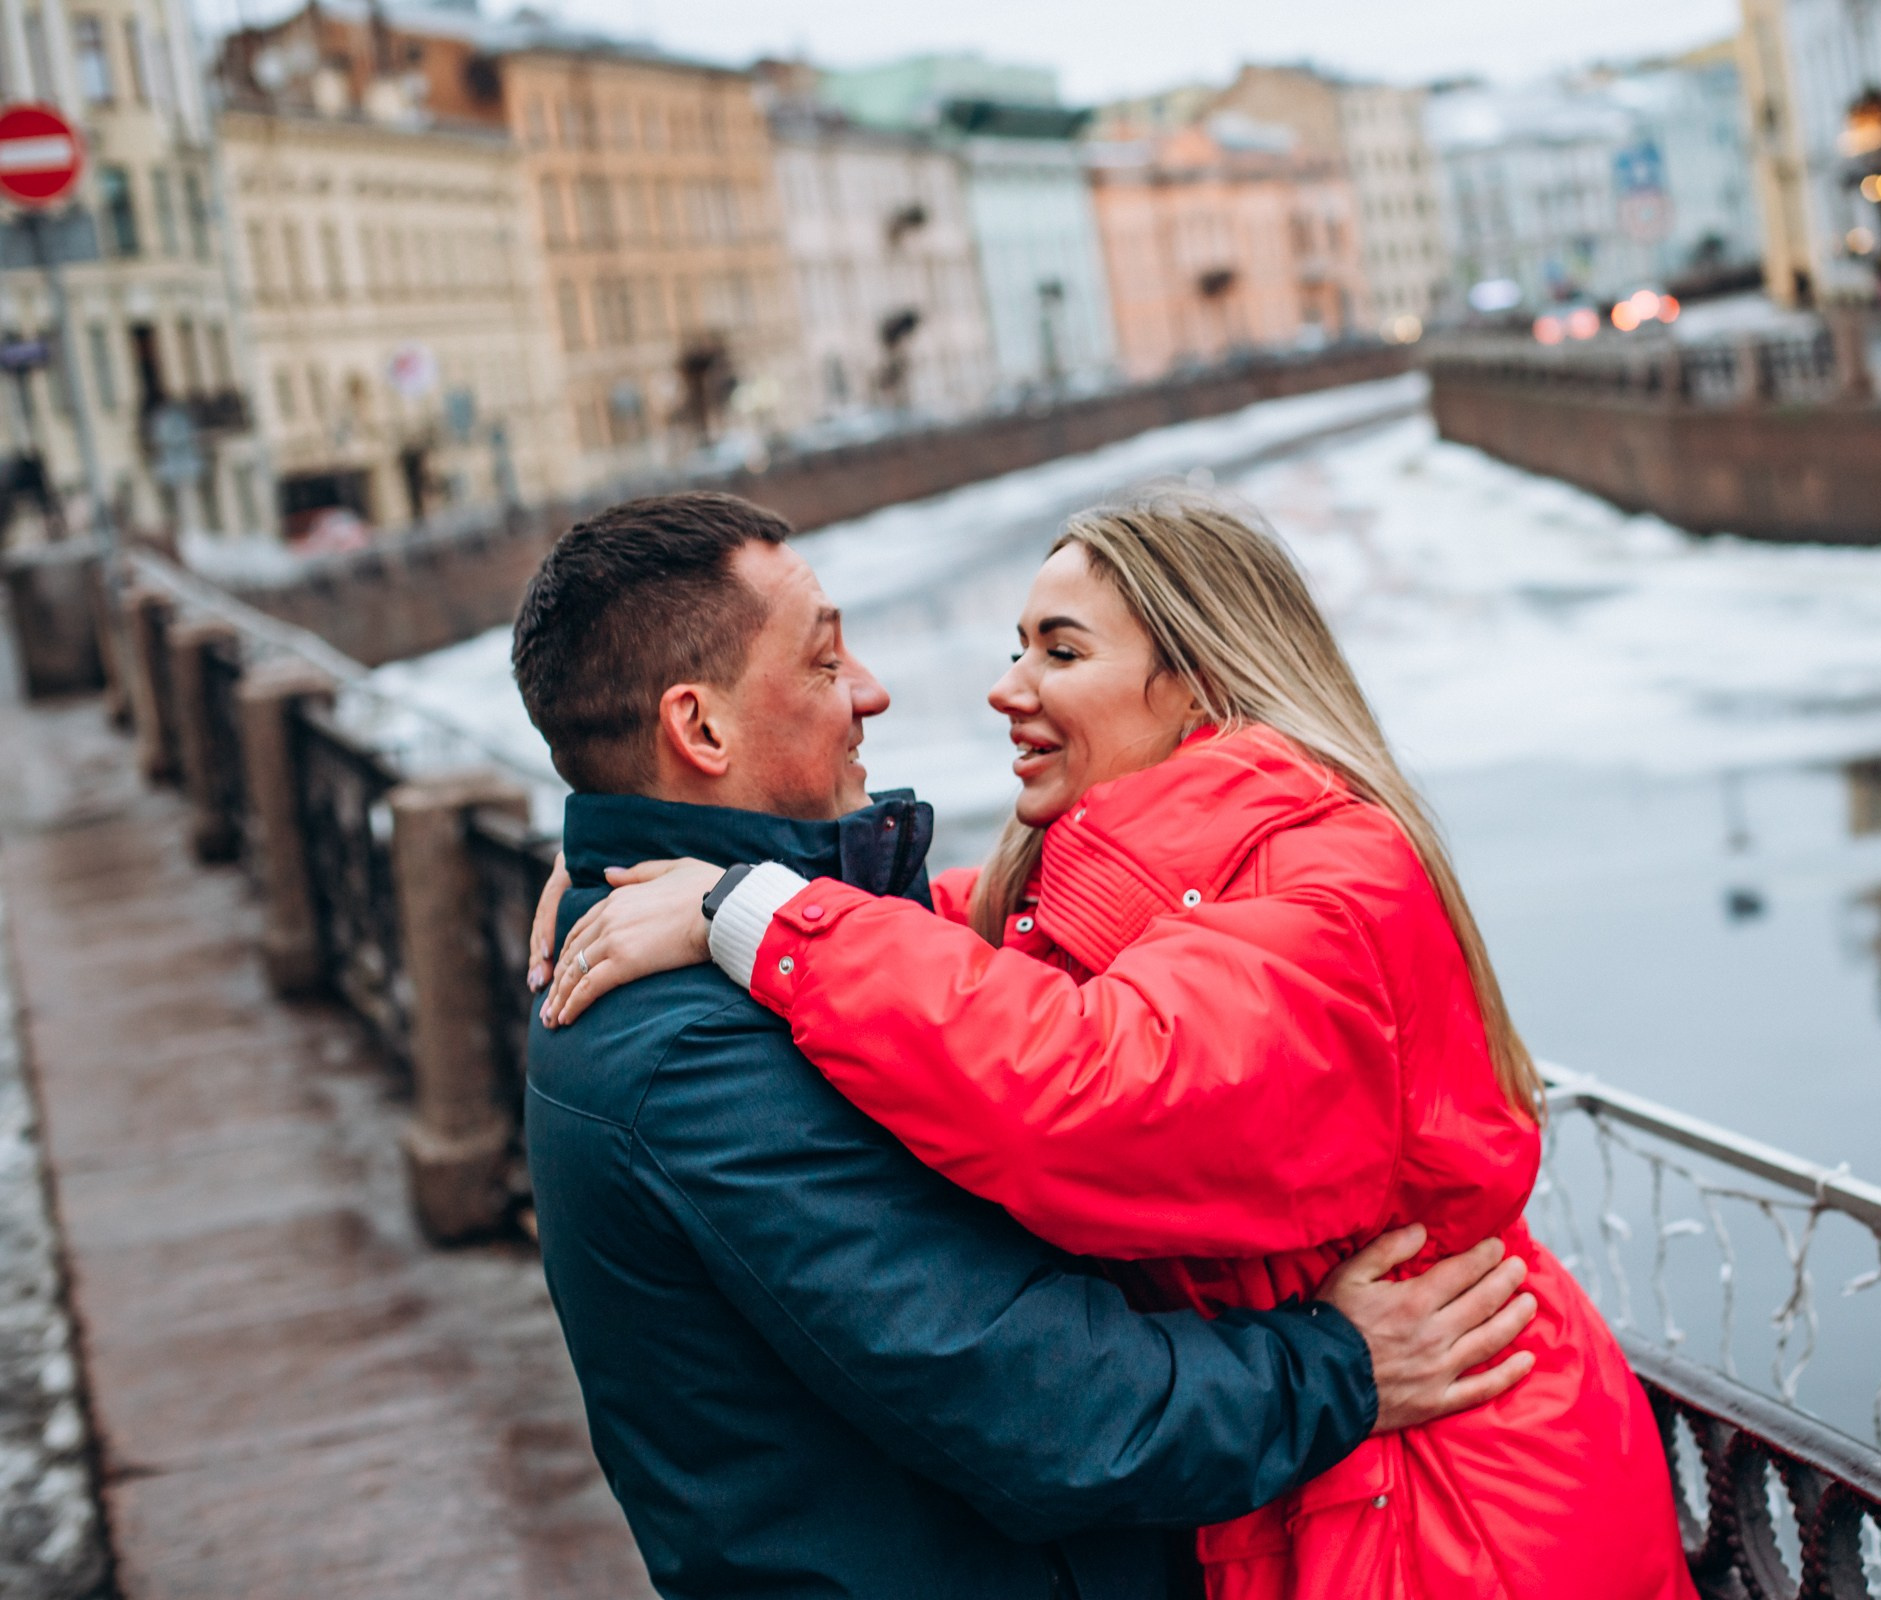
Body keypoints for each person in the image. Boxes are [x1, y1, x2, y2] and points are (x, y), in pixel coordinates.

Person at [540, 490, 1699, 1600]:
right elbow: (968, 984)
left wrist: (737, 901)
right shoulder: (711, 1036)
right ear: (694, 726)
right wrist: (676, 870)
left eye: (1059, 651)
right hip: (1333, 1468)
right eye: (828, 660)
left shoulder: (1325, 878)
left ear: (1196, 679)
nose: (996, 690)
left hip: (1456, 1479)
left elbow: (1089, 1078)